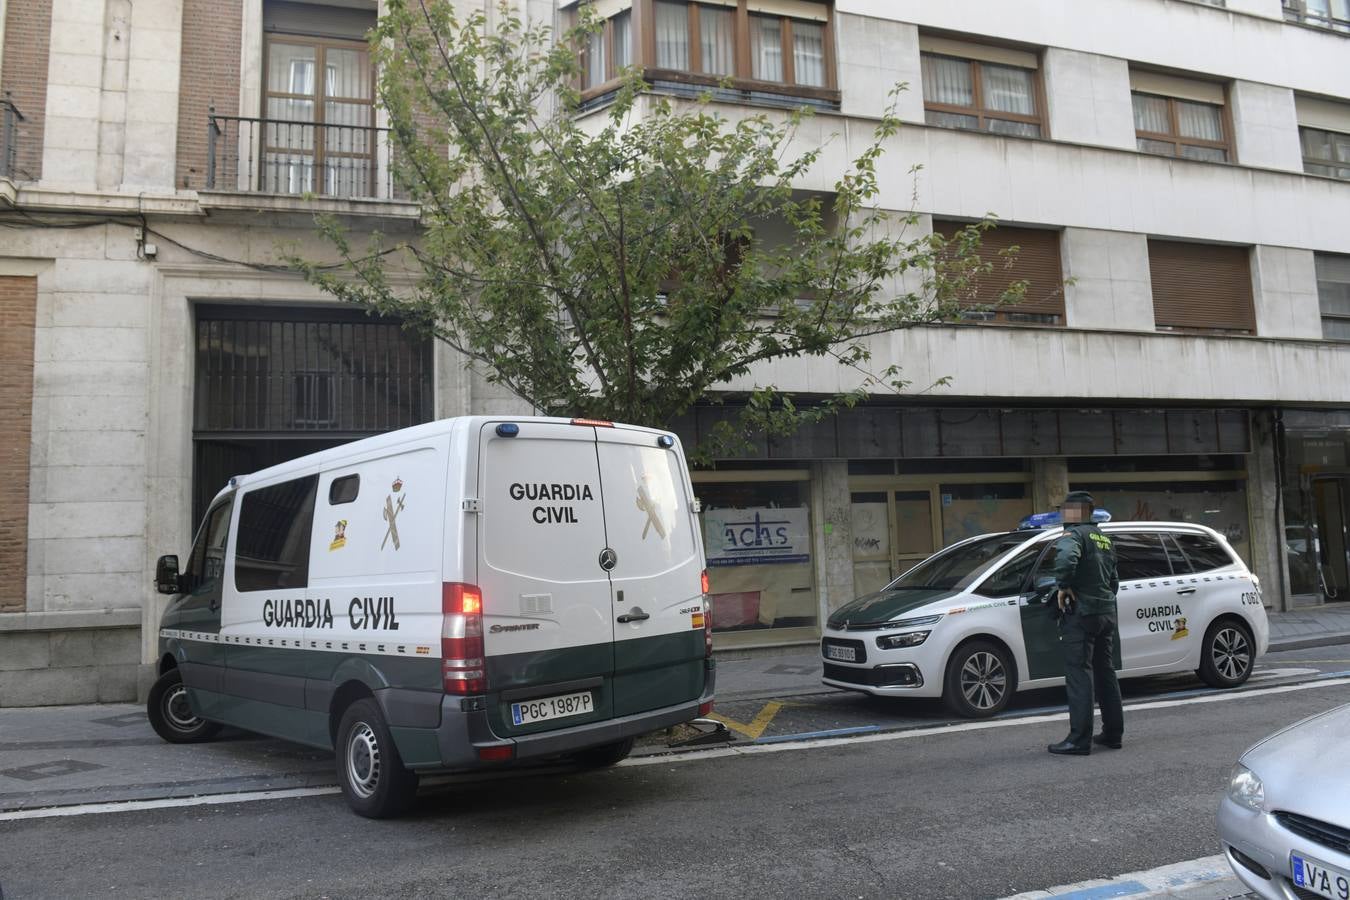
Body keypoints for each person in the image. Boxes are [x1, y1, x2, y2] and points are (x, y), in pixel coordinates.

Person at [1047, 490, 1123, 756]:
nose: (1062, 514)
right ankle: (1113, 734)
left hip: (1083, 614)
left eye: (1065, 510)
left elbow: (1067, 560)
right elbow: (1114, 581)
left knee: (1079, 674)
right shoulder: (1104, 538)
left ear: (1075, 511)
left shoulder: (1073, 535)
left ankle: (1079, 740)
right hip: (1106, 612)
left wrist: (1064, 586)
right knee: (1105, 673)